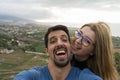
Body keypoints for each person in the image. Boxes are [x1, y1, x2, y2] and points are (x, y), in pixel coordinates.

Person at [14, 25, 102, 80]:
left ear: (69, 47)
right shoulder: (32, 76)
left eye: (64, 39)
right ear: (46, 51)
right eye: (52, 41)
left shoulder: (84, 76)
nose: (59, 43)